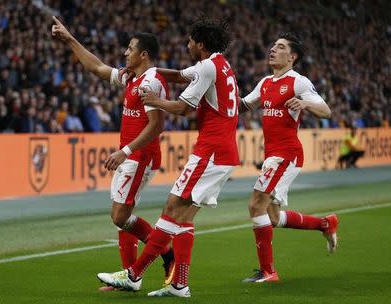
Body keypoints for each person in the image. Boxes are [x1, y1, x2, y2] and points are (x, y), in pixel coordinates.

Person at [97, 16, 240, 298]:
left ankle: (134, 275)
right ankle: (179, 284)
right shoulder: (218, 64)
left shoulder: (208, 67)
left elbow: (183, 107)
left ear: (200, 43)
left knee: (172, 207)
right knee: (183, 217)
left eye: (189, 41)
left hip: (211, 150)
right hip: (222, 150)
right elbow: (178, 75)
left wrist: (156, 101)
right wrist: (143, 69)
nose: (186, 45)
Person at [51, 17, 174, 289]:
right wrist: (70, 39)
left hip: (140, 156)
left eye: (130, 49)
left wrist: (125, 151)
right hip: (131, 155)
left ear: (144, 54)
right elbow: (96, 67)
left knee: (120, 216)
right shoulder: (132, 77)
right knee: (122, 220)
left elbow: (157, 126)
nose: (124, 53)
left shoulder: (150, 83)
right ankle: (130, 277)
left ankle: (166, 253)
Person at [239, 32, 339, 283]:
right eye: (273, 45)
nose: (273, 49)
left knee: (255, 204)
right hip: (273, 155)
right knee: (271, 217)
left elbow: (325, 110)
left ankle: (268, 272)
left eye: (280, 47)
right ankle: (325, 224)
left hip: (287, 154)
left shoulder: (298, 82)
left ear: (292, 56)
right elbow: (242, 105)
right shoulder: (265, 83)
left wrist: (305, 105)